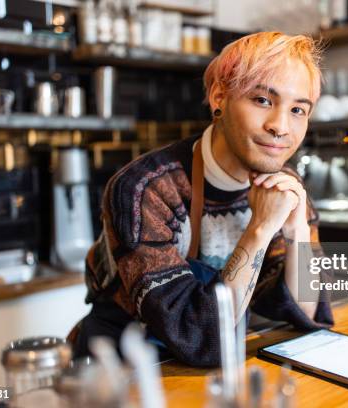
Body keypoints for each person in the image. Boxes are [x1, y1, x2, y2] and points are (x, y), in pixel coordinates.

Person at [67, 31, 333, 366]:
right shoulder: (145, 188)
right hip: (125, 368)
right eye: (263, 100)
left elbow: (309, 309)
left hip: (216, 368)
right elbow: (200, 336)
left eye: (298, 109)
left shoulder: (288, 188)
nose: (281, 126)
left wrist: (296, 233)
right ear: (219, 97)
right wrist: (261, 228)